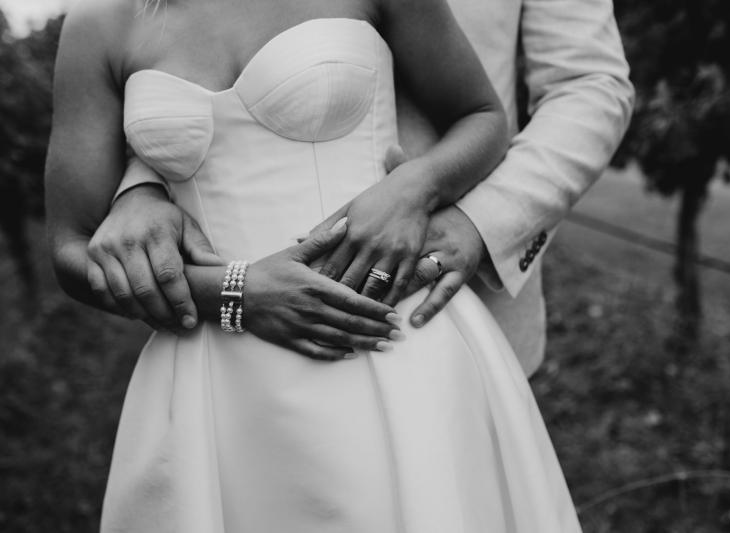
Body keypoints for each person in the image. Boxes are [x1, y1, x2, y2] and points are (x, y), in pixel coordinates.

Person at [46, 0, 592, 531]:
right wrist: (235, 294)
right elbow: (73, 244)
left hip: (389, 336)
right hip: (215, 372)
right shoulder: (100, 22)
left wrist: (415, 186)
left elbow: (484, 114)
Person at [88, 0, 634, 377]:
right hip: (242, 309)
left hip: (443, 299)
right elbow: (189, 66)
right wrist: (141, 185)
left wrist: (477, 221)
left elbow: (589, 84)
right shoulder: (104, 24)